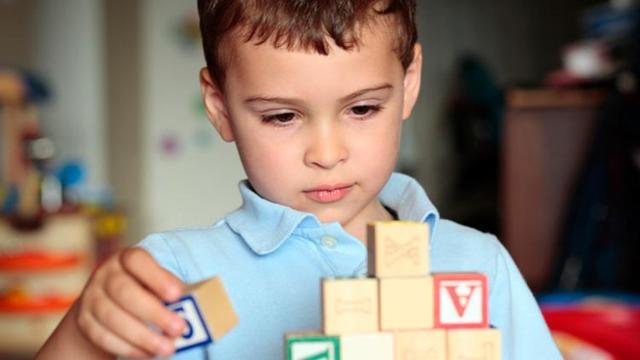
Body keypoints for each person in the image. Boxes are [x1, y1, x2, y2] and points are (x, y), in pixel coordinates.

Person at [37, 0, 561, 359]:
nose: (327, 154)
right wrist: (86, 333)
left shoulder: (479, 265)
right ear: (219, 107)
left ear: (409, 82)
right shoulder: (172, 276)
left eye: (362, 108)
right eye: (282, 117)